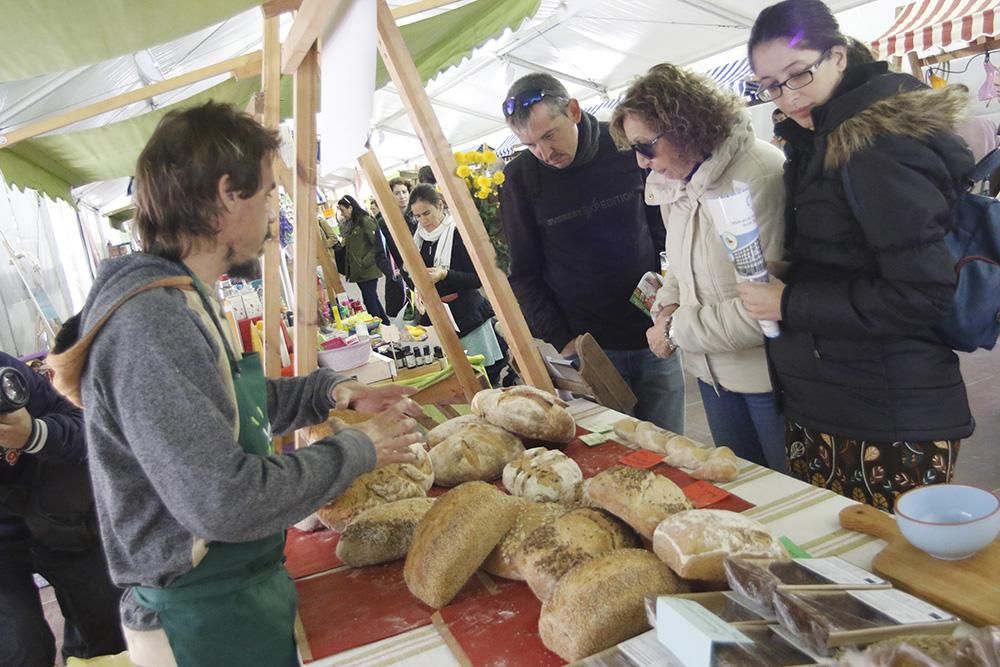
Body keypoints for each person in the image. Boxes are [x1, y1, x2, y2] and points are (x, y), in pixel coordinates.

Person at [47, 101, 424, 667]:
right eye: (267, 193)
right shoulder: (151, 324)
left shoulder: (181, 297)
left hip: (230, 596)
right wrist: (357, 449)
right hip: (197, 618)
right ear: (227, 194)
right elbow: (223, 502)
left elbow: (229, 406)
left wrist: (332, 394)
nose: (273, 213)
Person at [740, 0, 974, 511]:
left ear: (839, 57)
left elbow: (923, 293)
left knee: (892, 581)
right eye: (770, 85)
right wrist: (794, 273)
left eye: (798, 74)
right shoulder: (816, 139)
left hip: (889, 411)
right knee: (838, 573)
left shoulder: (875, 142)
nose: (788, 95)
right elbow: (854, 256)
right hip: (835, 397)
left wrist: (790, 303)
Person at [609, 64, 788, 470]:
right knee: (746, 497)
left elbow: (766, 310)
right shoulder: (679, 183)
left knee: (792, 506)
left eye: (646, 146)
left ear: (685, 125)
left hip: (768, 382)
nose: (640, 162)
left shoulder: (756, 175)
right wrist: (667, 305)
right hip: (713, 378)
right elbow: (680, 269)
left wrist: (674, 329)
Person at [500, 73, 685, 433]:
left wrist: (672, 304)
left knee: (672, 449)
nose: (544, 153)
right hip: (590, 350)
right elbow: (523, 272)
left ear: (573, 111)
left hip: (654, 332)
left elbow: (665, 231)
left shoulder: (623, 146)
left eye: (549, 135)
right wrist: (564, 342)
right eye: (530, 145)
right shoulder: (522, 179)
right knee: (616, 460)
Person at [0, 352, 126, 666]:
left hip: (61, 519)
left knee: (110, 632)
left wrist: (34, 433)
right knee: (21, 650)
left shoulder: (7, 373)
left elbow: (85, 428)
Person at [409, 184, 509, 385]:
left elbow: (477, 278)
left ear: (440, 205)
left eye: (426, 213)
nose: (423, 220)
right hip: (435, 315)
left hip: (467, 315)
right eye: (417, 216)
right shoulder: (417, 239)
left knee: (482, 375)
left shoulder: (456, 233)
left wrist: (445, 274)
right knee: (451, 378)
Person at [335, 194, 389, 324]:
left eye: (343, 210)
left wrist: (365, 261)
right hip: (359, 271)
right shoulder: (352, 224)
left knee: (369, 300)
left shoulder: (365, 221)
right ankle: (385, 323)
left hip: (368, 269)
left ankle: (378, 326)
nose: (342, 213)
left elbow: (378, 244)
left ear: (351, 207)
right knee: (372, 298)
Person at [374, 177, 417, 320]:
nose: (402, 196)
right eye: (397, 193)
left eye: (404, 191)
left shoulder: (418, 215)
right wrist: (393, 272)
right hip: (402, 279)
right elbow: (380, 255)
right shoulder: (384, 223)